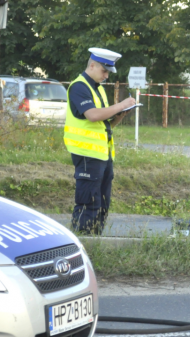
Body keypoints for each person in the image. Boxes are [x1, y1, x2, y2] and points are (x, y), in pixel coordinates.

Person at [65, 47, 136, 234]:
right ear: (92, 65)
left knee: (102, 204)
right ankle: (83, 241)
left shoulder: (98, 90)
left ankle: (96, 241)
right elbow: (93, 115)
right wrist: (120, 105)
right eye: (104, 71)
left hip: (102, 155)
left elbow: (105, 125)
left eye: (108, 72)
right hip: (87, 155)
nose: (106, 76)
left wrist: (121, 114)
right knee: (88, 203)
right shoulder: (79, 87)